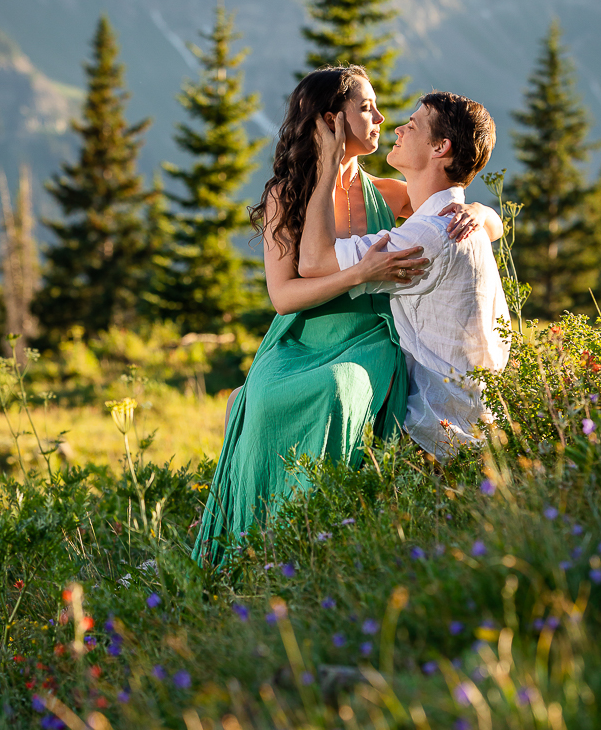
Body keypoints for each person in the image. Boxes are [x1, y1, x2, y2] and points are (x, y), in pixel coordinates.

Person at [192, 65, 481, 565]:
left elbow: (449, 209)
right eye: (366, 107)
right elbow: (284, 296)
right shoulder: (287, 196)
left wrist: (483, 215)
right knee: (258, 400)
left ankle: (314, 532)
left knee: (338, 388)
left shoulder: (388, 194)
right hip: (301, 337)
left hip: (370, 335)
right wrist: (359, 272)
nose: (380, 117)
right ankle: (254, 541)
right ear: (331, 121)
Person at [298, 91, 511, 458]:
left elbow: (314, 262)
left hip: (433, 432)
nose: (397, 128)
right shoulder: (455, 221)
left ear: (439, 147)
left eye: (412, 126)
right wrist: (483, 210)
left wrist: (329, 165)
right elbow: (495, 225)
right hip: (471, 421)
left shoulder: (427, 234)